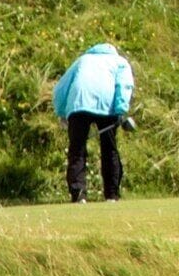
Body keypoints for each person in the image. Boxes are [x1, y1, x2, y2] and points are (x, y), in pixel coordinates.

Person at [52, 40, 137, 202]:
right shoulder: (119, 62)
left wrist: (62, 113)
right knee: (109, 149)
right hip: (108, 106)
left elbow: (61, 88)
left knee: (77, 150)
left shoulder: (82, 60)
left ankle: (78, 196)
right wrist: (121, 110)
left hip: (78, 104)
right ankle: (112, 195)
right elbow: (124, 86)